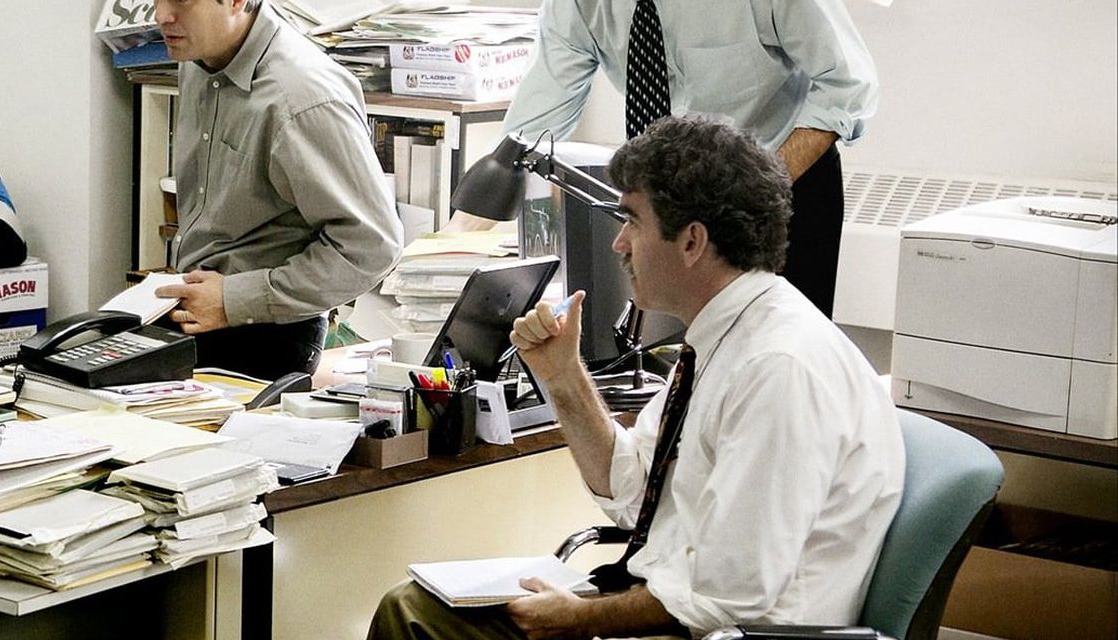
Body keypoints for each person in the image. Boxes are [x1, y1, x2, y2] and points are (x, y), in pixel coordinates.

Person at [366, 117, 903, 639]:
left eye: (633, 222)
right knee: (412, 605)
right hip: (680, 605)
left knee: (413, 618)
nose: (619, 243)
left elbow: (729, 597)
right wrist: (564, 377)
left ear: (692, 242)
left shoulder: (777, 369)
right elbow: (632, 494)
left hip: (725, 630)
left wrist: (578, 619)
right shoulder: (725, 337)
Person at [470, 0, 877, 317]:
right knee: (679, 363)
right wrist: (463, 234)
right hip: (667, 202)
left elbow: (847, 86)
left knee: (776, 360)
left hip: (779, 181)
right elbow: (533, 124)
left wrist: (755, 190)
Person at [150, 0, 404, 380]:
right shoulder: (199, 57)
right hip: (199, 306)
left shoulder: (301, 96)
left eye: (182, 0)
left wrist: (233, 300)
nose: (161, 15)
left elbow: (373, 245)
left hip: (267, 334)